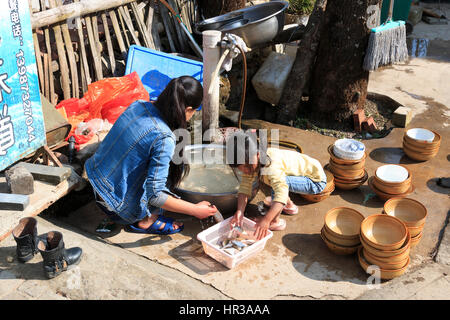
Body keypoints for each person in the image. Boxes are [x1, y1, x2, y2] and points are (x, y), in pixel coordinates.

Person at [84, 76, 218, 235]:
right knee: (177, 164)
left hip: (94, 183)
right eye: (194, 111)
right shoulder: (164, 138)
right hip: (116, 208)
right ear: (188, 110)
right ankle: (147, 221)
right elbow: (155, 195)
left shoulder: (138, 105)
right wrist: (195, 209)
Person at [227, 132, 327, 240]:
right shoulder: (254, 161)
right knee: (275, 183)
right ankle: (289, 206)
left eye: (247, 166)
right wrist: (240, 212)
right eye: (241, 168)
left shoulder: (272, 166)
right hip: (299, 175)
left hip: (315, 181)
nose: (245, 170)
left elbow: (281, 194)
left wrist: (266, 220)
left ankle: (275, 222)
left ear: (257, 154)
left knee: (278, 187)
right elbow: (244, 187)